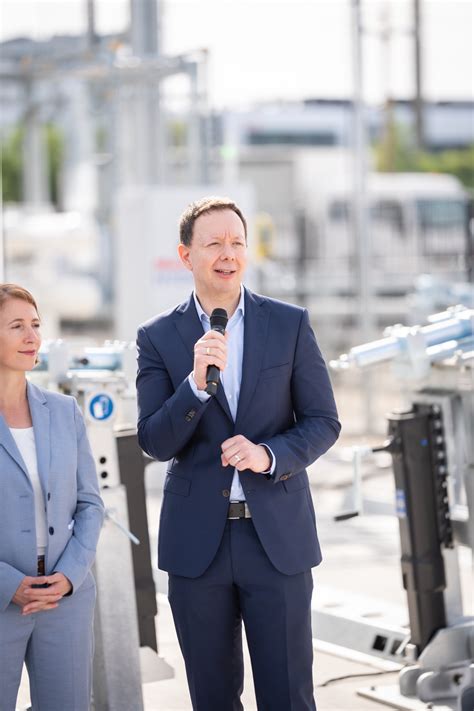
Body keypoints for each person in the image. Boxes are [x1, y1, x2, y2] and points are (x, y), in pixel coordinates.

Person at [136, 196, 341, 710]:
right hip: (196, 547)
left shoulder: (289, 324)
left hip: (276, 538)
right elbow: (154, 441)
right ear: (186, 256)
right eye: (213, 244)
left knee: (289, 695)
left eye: (236, 243)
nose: (227, 254)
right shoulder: (158, 337)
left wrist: (269, 454)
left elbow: (324, 421)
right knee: (212, 698)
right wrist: (194, 386)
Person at [0, 283, 105, 711]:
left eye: (36, 325)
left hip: (65, 599)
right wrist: (11, 585)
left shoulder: (64, 412)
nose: (32, 337)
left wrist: (68, 577)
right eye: (17, 326)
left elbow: (91, 504)